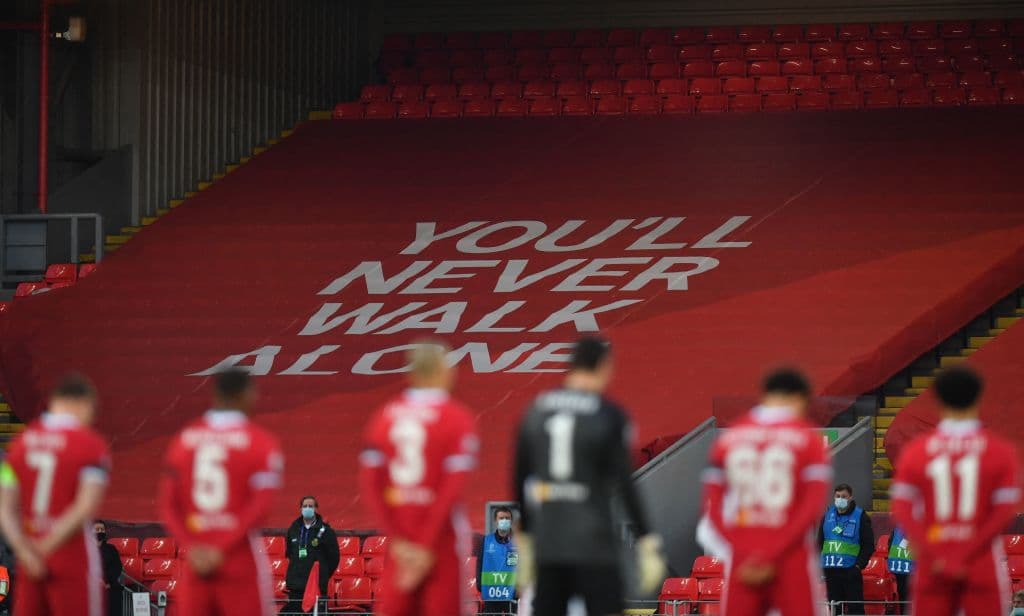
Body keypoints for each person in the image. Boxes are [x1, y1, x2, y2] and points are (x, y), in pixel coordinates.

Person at [513, 336, 665, 616]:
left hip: (550, 542)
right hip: (594, 542)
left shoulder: (535, 411)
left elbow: (520, 477)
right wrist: (646, 538)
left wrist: (525, 537)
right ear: (603, 366)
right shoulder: (609, 414)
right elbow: (624, 480)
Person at [358, 340, 480, 616]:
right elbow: (451, 488)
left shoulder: (384, 418)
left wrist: (399, 540)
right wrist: (425, 546)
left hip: (401, 541)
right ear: (444, 371)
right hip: (440, 541)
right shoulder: (457, 418)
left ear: (411, 373)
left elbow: (370, 486)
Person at [700, 367, 832, 616]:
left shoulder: (728, 440)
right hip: (790, 554)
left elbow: (712, 509)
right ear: (798, 398)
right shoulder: (807, 440)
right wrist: (773, 554)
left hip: (743, 555)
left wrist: (744, 553)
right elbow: (811, 509)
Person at [891, 365, 1020, 616]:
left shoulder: (916, 453)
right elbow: (1004, 512)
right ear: (978, 397)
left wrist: (933, 552)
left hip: (933, 561)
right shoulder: (999, 452)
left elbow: (903, 511)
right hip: (980, 560)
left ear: (938, 399)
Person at [158, 369, 285, 616]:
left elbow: (168, 506)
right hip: (238, 560)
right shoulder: (260, 442)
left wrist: (193, 546)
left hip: (196, 561)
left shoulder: (184, 440)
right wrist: (220, 547)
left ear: (215, 395)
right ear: (246, 395)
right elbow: (260, 506)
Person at [0, 373, 110, 616]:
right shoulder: (90, 445)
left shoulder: (20, 444)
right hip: (70, 554)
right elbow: (86, 506)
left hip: (29, 557)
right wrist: (47, 545)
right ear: (82, 404)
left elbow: (4, 507)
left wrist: (25, 550)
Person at [818, 483, 874, 615]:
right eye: (837, 496)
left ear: (850, 497)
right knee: (835, 611)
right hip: (831, 572)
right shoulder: (826, 516)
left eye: (844, 496)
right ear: (834, 497)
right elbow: (819, 543)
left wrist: (858, 566)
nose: (840, 499)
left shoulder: (860, 516)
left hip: (851, 572)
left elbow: (869, 545)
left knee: (856, 610)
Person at [282, 496, 340, 613]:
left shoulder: (327, 531)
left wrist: (322, 573)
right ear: (300, 509)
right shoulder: (293, 529)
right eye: (305, 506)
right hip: (296, 585)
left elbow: (334, 558)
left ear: (316, 509)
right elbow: (289, 553)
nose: (307, 508)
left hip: (316, 585)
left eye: (310, 506)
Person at [474, 506, 517, 615]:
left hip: (512, 595)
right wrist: (480, 585)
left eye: (507, 518)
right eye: (501, 518)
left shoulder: (518, 541)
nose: (504, 521)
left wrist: (518, 592)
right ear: (495, 521)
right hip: (490, 595)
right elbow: (480, 563)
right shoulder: (486, 541)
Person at [94, 521, 124, 616]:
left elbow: (117, 567)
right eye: (97, 529)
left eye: (102, 529)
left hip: (109, 585)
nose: (99, 531)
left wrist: (105, 581)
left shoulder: (111, 549)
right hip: (92, 584)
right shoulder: (86, 548)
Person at [886, 527, 913, 615]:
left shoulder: (898, 526)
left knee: (903, 594)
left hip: (900, 566)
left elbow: (890, 544)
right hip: (912, 568)